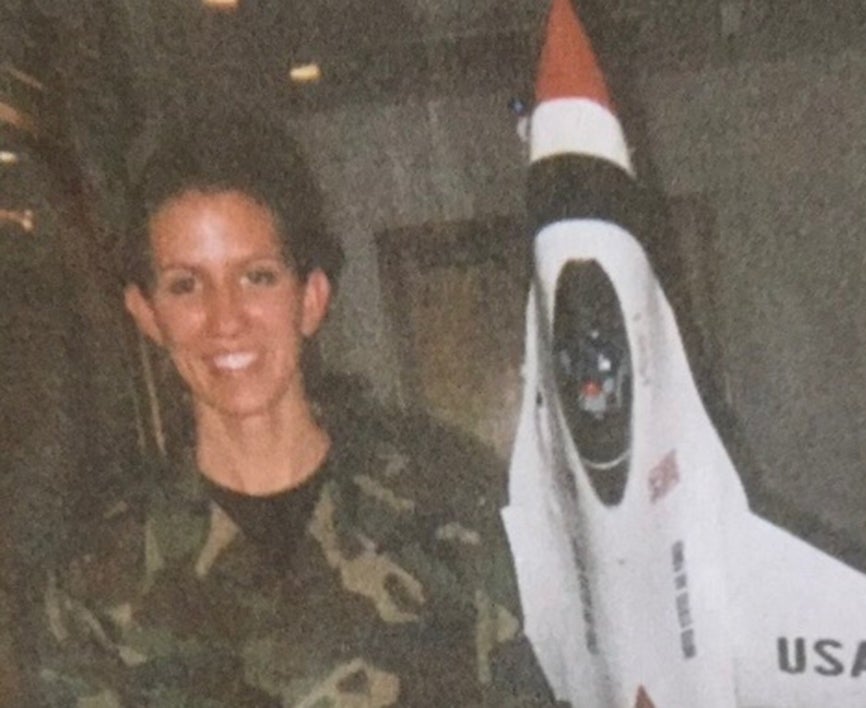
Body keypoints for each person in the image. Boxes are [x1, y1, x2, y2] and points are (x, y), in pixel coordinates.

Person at [34, 111, 557, 706]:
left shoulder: (450, 510)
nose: (225, 319)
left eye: (256, 277)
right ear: (148, 314)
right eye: (186, 285)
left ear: (310, 299)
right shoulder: (96, 581)